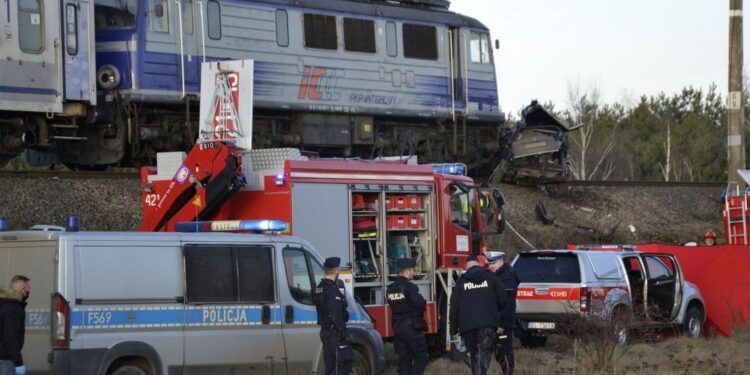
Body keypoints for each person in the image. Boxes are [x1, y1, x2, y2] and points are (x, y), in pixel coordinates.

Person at [450, 255, 507, 375]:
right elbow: (503, 298)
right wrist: (496, 315)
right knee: (484, 357)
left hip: (468, 327)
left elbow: (454, 306)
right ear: (478, 264)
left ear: (466, 266)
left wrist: (453, 329)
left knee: (475, 357)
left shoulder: (461, 281)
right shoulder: (491, 277)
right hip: (487, 325)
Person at [386, 258, 428, 375]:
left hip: (398, 329)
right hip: (411, 329)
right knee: (421, 359)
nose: (413, 273)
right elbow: (420, 303)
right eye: (412, 270)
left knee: (404, 361)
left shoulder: (390, 288)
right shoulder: (410, 287)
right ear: (408, 271)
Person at [314, 257, 352, 375]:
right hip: (335, 333)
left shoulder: (319, 288)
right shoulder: (332, 290)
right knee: (344, 364)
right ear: (336, 270)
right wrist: (344, 333)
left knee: (330, 365)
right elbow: (335, 315)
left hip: (325, 331)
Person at [486, 252, 520, 375]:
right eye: (488, 264)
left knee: (504, 353)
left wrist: (501, 324)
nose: (490, 266)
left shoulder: (507, 276)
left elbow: (507, 304)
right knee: (496, 352)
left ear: (501, 261)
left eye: (493, 263)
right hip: (494, 321)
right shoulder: (495, 274)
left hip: (503, 323)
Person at [0, 276, 30, 375]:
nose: (28, 291)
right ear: (22, 289)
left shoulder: (3, 304)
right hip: (5, 360)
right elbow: (10, 338)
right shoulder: (14, 308)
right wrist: (18, 363)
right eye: (28, 288)